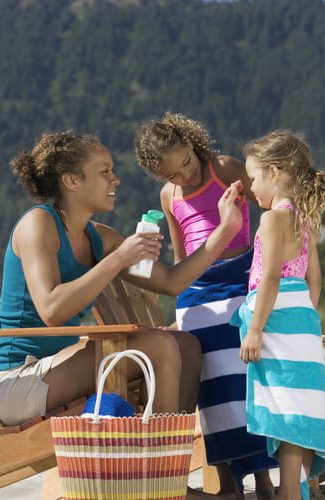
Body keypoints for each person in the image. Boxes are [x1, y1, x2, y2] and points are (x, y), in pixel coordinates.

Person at [0, 131, 245, 500]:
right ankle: (155, 482)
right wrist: (119, 259)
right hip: (15, 383)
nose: (116, 179)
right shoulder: (38, 224)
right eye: (104, 171)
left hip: (57, 372)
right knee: (156, 345)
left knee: (186, 345)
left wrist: (224, 231)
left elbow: (172, 282)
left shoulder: (100, 237)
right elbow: (51, 310)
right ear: (72, 180)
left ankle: (166, 480)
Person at [135, 112, 277, 500]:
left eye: (187, 163)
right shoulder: (170, 196)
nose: (186, 176)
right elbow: (181, 260)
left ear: (193, 144)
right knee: (211, 387)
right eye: (174, 175)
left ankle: (264, 479)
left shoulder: (224, 167)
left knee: (244, 379)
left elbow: (269, 209)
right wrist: (181, 305)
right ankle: (229, 483)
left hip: (240, 276)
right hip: (198, 291)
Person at [231, 129, 325, 500]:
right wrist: (304, 320)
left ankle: (289, 492)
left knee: (284, 410)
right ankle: (296, 487)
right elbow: (313, 281)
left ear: (274, 172)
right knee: (299, 407)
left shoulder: (272, 220)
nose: (250, 187)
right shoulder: (304, 219)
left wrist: (256, 329)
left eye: (253, 177)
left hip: (275, 321)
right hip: (301, 319)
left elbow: (270, 276)